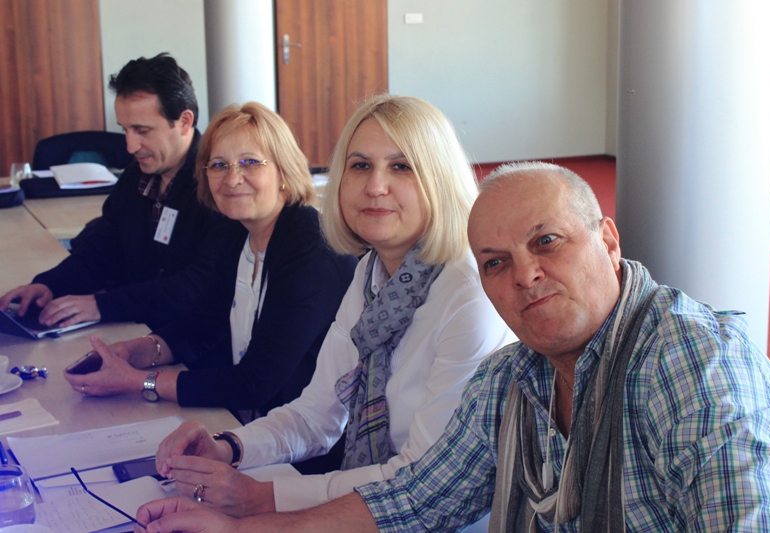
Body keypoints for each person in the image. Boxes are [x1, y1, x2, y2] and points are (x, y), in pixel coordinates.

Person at [136, 161, 770, 533]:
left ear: (608, 240)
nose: (526, 276)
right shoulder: (511, 377)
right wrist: (240, 527)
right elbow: (416, 498)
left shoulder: (694, 366)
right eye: (496, 262)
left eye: (547, 242)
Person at [142, 94, 515, 521]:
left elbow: (420, 481)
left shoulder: (469, 295)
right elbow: (317, 415)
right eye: (360, 165)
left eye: (401, 166)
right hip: (366, 503)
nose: (375, 186)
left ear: (440, 179)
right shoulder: (371, 273)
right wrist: (229, 446)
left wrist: (265, 497)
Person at [62, 101, 357, 420]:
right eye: (218, 165)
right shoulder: (238, 231)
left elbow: (255, 383)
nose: (232, 179)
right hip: (253, 426)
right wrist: (136, 351)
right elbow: (202, 325)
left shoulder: (312, 250)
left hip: (309, 441)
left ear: (284, 171)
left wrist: (138, 382)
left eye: (249, 162)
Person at [0, 53, 233, 330]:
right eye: (125, 130)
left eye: (142, 131)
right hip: (135, 328)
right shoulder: (135, 176)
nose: (130, 146)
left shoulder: (219, 184)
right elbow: (102, 251)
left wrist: (102, 305)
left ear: (184, 122)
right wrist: (50, 285)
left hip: (186, 341)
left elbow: (199, 285)